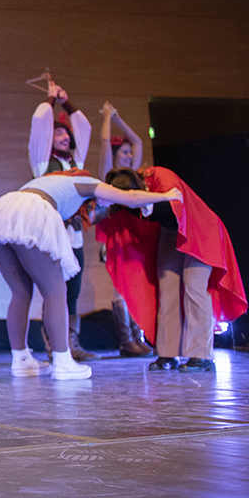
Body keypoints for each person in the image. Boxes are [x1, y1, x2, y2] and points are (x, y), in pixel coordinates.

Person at [0, 170, 182, 380]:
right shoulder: (86, 182)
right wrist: (166, 195)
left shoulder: (58, 183)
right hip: (31, 212)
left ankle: (21, 360)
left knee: (20, 293)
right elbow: (130, 197)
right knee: (55, 291)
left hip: (1, 212)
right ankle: (63, 362)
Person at [97, 167, 247, 373]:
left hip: (199, 228)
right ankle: (168, 353)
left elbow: (175, 205)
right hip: (171, 231)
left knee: (194, 287)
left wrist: (143, 201)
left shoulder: (159, 176)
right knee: (167, 289)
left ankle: (201, 356)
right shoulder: (125, 199)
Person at [28, 80, 96, 362]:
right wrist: (51, 100)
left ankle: (70, 344)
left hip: (74, 236)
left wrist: (67, 101)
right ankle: (54, 346)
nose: (65, 137)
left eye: (66, 133)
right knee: (54, 291)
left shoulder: (76, 163)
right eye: (58, 133)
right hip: (52, 235)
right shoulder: (42, 163)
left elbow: (84, 128)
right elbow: (38, 125)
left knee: (73, 293)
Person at [96, 103, 156, 357]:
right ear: (114, 155)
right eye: (124, 153)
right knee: (120, 285)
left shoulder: (131, 174)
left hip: (133, 233)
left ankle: (137, 337)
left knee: (135, 284)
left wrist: (119, 118)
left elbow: (139, 142)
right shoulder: (108, 175)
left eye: (129, 153)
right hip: (115, 233)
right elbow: (104, 142)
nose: (130, 156)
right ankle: (126, 340)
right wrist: (107, 118)